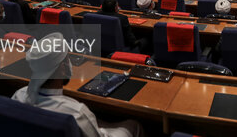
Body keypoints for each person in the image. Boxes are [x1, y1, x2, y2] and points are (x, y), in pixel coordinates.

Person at [12, 32, 143, 137]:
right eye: (68, 58)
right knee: (134, 125)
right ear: (63, 67)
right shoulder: (77, 112)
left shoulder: (18, 95)